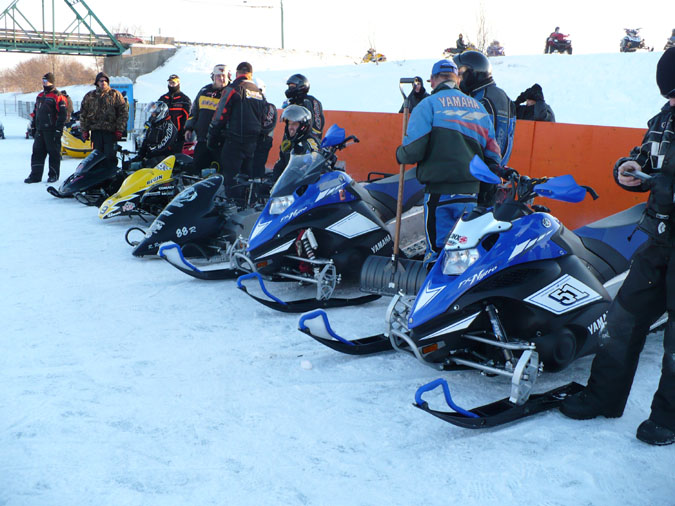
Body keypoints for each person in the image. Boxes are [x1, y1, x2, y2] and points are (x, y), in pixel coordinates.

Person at [559, 48, 675, 446]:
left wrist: (668, 186)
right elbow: (646, 159)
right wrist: (628, 169)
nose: (670, 102)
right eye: (667, 95)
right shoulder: (663, 119)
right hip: (659, 239)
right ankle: (603, 397)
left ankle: (668, 418)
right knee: (622, 318)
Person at [395, 59, 501, 262]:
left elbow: (412, 152)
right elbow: (494, 155)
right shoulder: (478, 108)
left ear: (433, 80)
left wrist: (400, 153)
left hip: (440, 194)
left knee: (439, 254)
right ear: (457, 80)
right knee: (465, 251)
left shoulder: (428, 105)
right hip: (471, 195)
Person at [207, 62, 267, 186]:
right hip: (252, 143)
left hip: (234, 140)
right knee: (247, 178)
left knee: (231, 178)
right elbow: (264, 118)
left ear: (236, 73)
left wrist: (212, 133)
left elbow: (220, 114)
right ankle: (245, 197)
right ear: (251, 75)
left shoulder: (233, 88)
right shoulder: (259, 93)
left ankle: (232, 197)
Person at [453, 50, 516, 166]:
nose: (457, 80)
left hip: (479, 169)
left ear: (471, 74)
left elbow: (472, 141)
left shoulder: (481, 100)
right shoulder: (501, 96)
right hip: (493, 168)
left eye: (460, 74)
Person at [184, 64, 230, 173]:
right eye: (218, 76)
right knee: (197, 170)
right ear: (213, 77)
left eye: (224, 76)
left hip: (221, 143)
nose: (221, 79)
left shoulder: (231, 92)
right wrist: (189, 128)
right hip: (202, 140)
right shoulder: (204, 90)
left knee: (221, 172)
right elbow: (194, 111)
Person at [79, 72, 128, 172]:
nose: (103, 83)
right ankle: (97, 177)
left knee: (110, 156)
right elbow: (83, 114)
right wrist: (84, 130)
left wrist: (119, 129)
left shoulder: (115, 95)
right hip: (96, 133)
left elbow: (123, 113)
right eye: (101, 81)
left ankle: (111, 175)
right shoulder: (89, 96)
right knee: (96, 157)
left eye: (105, 81)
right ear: (97, 82)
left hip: (110, 132)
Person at [25, 72, 67, 183]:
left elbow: (62, 115)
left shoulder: (58, 96)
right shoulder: (40, 96)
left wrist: (58, 129)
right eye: (43, 81)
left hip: (51, 130)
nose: (44, 83)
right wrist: (33, 126)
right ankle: (35, 176)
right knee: (37, 152)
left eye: (46, 81)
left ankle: (53, 175)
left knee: (53, 153)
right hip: (40, 129)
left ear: (51, 82)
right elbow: (35, 112)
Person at [272, 105, 319, 181]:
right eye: (289, 124)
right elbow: (280, 165)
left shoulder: (310, 142)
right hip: (288, 184)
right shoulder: (288, 143)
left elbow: (315, 163)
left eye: (294, 124)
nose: (290, 127)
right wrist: (273, 182)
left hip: (305, 184)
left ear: (303, 126)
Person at [130, 101, 181, 168]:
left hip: (164, 158)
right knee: (129, 165)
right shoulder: (153, 125)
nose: (152, 116)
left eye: (154, 114)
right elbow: (146, 140)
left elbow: (164, 145)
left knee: (142, 166)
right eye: (151, 114)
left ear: (160, 113)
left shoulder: (169, 126)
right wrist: (141, 154)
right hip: (152, 156)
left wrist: (149, 155)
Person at [284, 74, 324, 143]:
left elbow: (317, 125)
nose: (290, 88)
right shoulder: (291, 102)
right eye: (289, 86)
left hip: (307, 141)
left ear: (301, 86)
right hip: (292, 139)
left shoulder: (311, 101)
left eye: (293, 86)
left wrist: (313, 139)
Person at [252, 78, 277, 179]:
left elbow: (267, 126)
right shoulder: (243, 106)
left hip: (261, 144)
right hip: (245, 145)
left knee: (256, 172)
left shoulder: (269, 107)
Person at [158, 74, 192, 146]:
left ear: (178, 83)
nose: (171, 85)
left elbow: (188, 117)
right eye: (170, 83)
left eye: (173, 83)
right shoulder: (163, 98)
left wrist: (183, 132)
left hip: (178, 135)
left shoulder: (184, 99)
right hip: (163, 134)